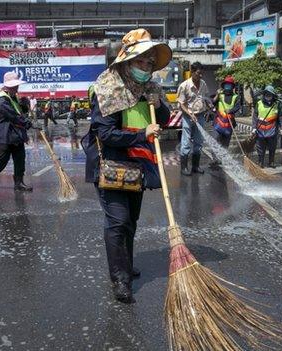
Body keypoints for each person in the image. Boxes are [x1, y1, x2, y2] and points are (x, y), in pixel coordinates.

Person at [81, 29, 171, 303]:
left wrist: (160, 107)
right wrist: (142, 135)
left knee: (131, 221)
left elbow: (163, 121)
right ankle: (119, 279)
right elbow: (106, 134)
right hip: (111, 163)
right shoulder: (107, 89)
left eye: (149, 63)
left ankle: (126, 265)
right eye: (141, 61)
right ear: (126, 61)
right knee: (117, 221)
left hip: (139, 165)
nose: (146, 67)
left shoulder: (151, 89)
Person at [0, 71, 33, 191]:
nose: (17, 88)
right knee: (3, 159)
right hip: (4, 133)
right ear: (8, 86)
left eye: (17, 86)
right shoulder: (2, 98)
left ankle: (19, 182)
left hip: (15, 133)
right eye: (15, 86)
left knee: (20, 158)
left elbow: (18, 112)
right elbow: (11, 114)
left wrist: (24, 106)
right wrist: (25, 122)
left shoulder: (13, 96)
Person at [177, 61, 208, 176]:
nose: (201, 76)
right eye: (198, 73)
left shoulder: (203, 83)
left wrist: (209, 105)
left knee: (199, 142)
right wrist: (190, 114)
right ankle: (184, 168)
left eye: (202, 73)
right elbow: (182, 104)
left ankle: (195, 166)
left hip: (200, 115)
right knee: (186, 142)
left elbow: (205, 97)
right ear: (192, 72)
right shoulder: (184, 86)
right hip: (187, 117)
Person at [252, 85, 282, 168]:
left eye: (270, 94)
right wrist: (254, 128)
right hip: (260, 130)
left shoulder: (278, 104)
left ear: (273, 96)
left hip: (272, 130)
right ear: (264, 94)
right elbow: (255, 116)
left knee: (272, 147)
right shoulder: (259, 103)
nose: (268, 96)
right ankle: (260, 162)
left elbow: (280, 117)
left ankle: (271, 162)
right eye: (267, 94)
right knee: (260, 148)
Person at [212, 76, 241, 150]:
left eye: (229, 85)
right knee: (215, 141)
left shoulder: (236, 97)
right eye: (226, 85)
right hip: (218, 124)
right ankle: (215, 160)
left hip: (229, 125)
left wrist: (230, 110)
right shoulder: (220, 95)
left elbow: (237, 107)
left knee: (225, 145)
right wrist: (217, 95)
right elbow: (213, 102)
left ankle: (223, 160)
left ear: (232, 87)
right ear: (224, 86)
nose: (227, 87)